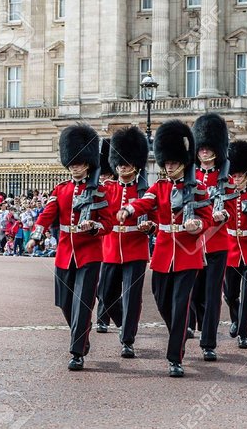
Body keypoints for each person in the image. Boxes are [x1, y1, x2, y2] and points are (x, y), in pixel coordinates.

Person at [116, 120, 216, 377]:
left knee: (180, 305)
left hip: (188, 254)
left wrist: (198, 225)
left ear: (183, 162)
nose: (169, 167)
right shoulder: (159, 187)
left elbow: (207, 217)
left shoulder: (198, 188)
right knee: (162, 301)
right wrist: (128, 209)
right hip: (163, 253)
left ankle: (175, 358)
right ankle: (179, 332)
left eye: (173, 163)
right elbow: (144, 202)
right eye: (167, 163)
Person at [26, 124, 112, 372]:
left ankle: (76, 352)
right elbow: (47, 214)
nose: (75, 166)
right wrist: (35, 236)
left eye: (79, 162)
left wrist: (94, 226)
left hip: (90, 254)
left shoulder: (99, 190)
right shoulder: (61, 189)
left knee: (83, 303)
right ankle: (81, 338)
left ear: (87, 163)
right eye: (71, 162)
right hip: (65, 253)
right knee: (66, 303)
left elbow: (108, 222)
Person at [99, 126, 152, 358]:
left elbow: (154, 215)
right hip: (111, 246)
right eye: (119, 162)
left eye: (126, 162)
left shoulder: (145, 190)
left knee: (131, 297)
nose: (122, 166)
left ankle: (128, 339)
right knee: (105, 294)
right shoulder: (107, 188)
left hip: (136, 247)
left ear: (135, 164)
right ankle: (123, 325)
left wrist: (150, 226)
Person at [214, 140, 247, 349]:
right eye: (234, 176)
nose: (236, 180)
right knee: (230, 294)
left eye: (240, 176)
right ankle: (235, 319)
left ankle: (243, 332)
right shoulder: (225, 197)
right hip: (231, 248)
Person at [190, 113, 230, 362]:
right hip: (192, 244)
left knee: (213, 293)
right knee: (194, 292)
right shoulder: (190, 176)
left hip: (217, 242)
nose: (204, 152)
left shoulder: (225, 177)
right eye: (201, 148)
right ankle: (195, 324)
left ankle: (209, 342)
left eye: (208, 148)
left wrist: (225, 214)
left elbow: (237, 209)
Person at [96, 138, 117, 333]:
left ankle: (103, 318)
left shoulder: (113, 188)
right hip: (99, 242)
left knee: (106, 285)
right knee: (99, 286)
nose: (103, 178)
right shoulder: (97, 188)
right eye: (101, 175)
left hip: (111, 241)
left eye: (106, 175)